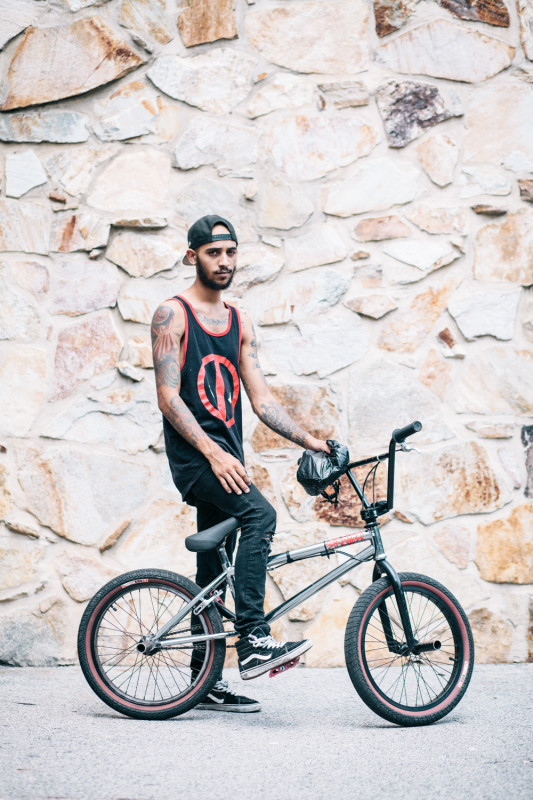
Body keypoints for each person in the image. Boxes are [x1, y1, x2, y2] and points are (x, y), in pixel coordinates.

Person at [151, 215, 330, 713]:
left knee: (214, 567)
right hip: (199, 461)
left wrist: (311, 439)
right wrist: (212, 452)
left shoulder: (240, 321)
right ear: (193, 256)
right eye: (213, 252)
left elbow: (262, 399)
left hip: (229, 459)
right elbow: (168, 398)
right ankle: (253, 639)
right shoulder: (173, 314)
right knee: (261, 516)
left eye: (230, 252)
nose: (224, 261)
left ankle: (201, 682)